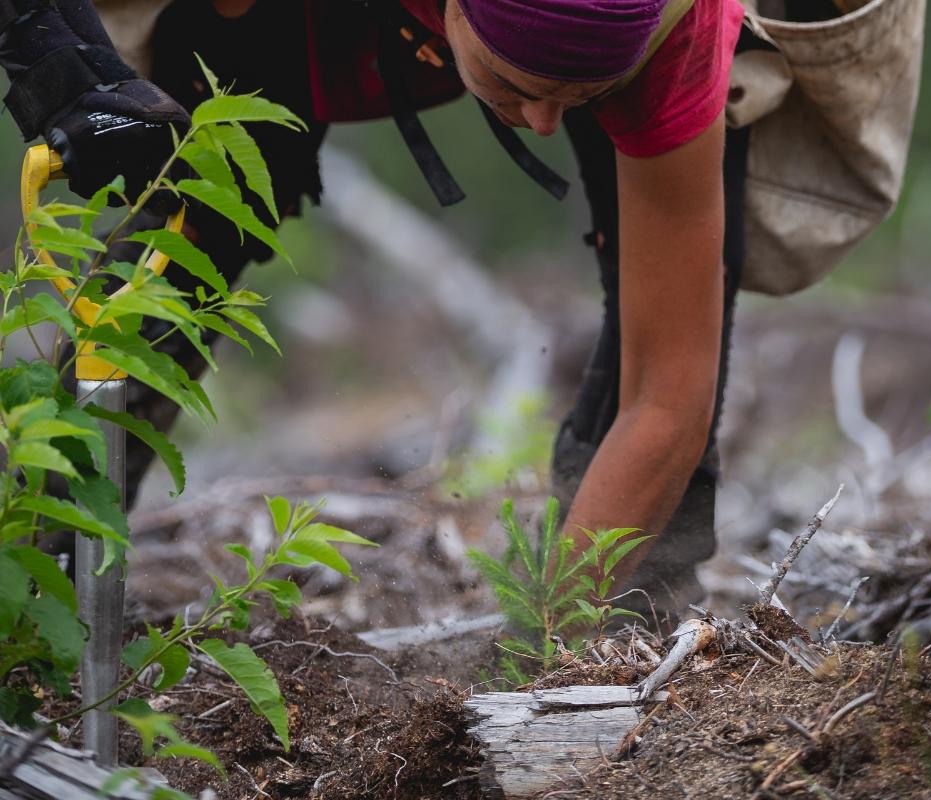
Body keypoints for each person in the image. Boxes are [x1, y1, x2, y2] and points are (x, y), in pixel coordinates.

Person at [1, 0, 823, 616]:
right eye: (519, 87)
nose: (541, 124)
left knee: (668, 327)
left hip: (640, 53)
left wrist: (543, 645)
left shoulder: (674, 29)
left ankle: (618, 644)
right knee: (178, 247)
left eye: (578, 94)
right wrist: (59, 59)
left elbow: (667, 396)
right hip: (290, 21)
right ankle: (41, 597)